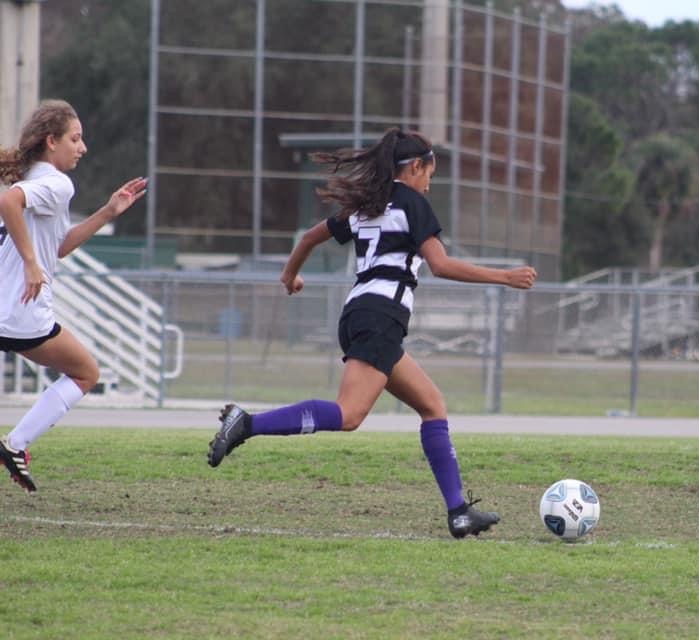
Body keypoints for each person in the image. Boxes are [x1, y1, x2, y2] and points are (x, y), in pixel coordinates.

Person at [207, 128, 537, 538]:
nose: (428, 184)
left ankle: (459, 512)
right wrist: (505, 277)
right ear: (415, 167)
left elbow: (310, 238)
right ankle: (247, 423)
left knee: (433, 406)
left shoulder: (369, 205)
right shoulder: (413, 203)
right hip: (380, 317)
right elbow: (441, 265)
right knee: (349, 415)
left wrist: (290, 276)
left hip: (361, 315)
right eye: (429, 174)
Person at [0, 99, 148, 492]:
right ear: (51, 141)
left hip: (7, 307)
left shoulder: (36, 178)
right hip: (22, 312)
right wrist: (31, 264)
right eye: (75, 138)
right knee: (86, 373)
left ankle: (14, 446)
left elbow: (58, 248)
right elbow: (8, 201)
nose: (83, 147)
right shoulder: (57, 183)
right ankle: (15, 444)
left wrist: (107, 212)